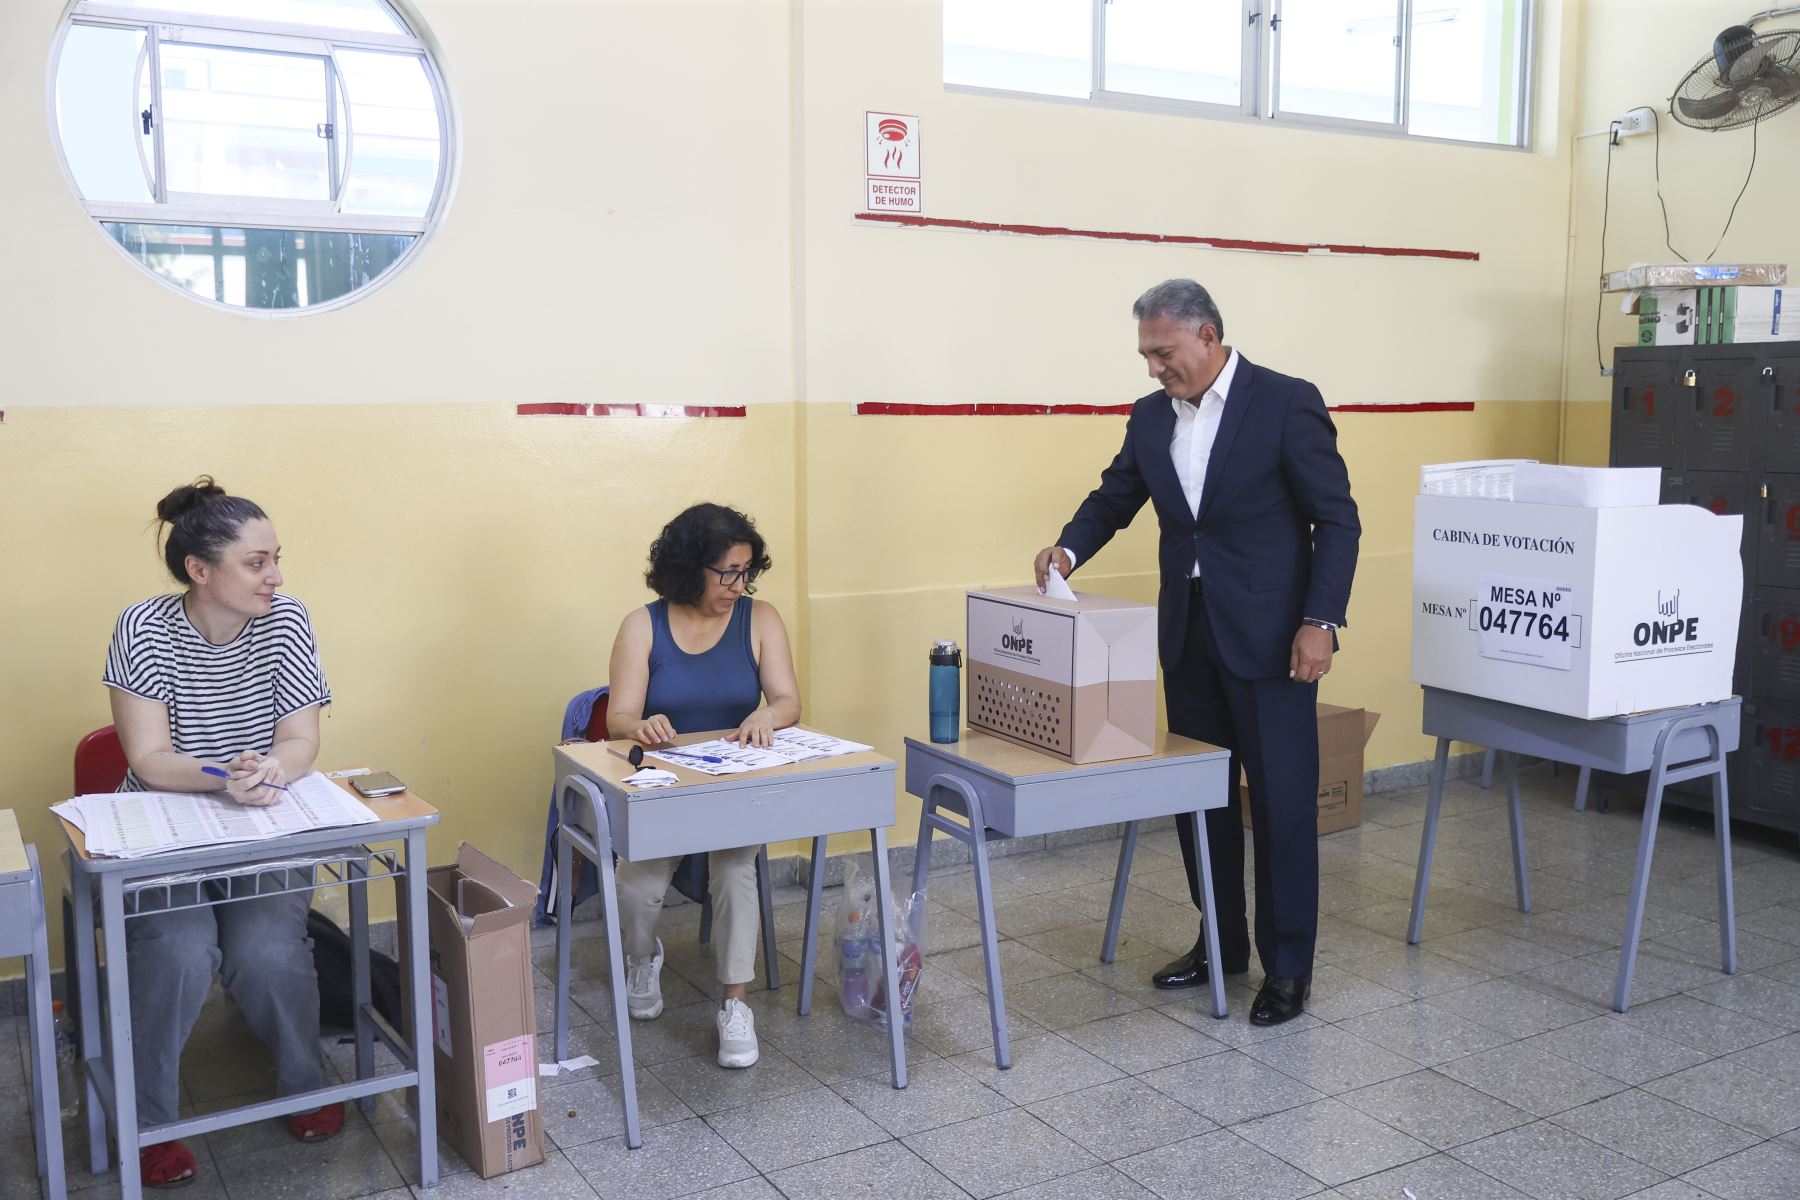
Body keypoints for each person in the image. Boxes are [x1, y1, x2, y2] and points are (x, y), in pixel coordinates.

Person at [1035, 280, 1359, 1026]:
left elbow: (1336, 521)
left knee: (1279, 807)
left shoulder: (1285, 402)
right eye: (1146, 355)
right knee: (1201, 803)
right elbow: (1116, 495)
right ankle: (1222, 942)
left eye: (1163, 352)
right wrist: (1070, 548)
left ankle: (1288, 969)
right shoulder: (1152, 418)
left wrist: (1323, 621)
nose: (1153, 368)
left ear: (1208, 336)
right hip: (1188, 637)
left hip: (1277, 643)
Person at [102, 479, 340, 1189]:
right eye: (257, 563)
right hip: (164, 823)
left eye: (276, 559)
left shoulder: (288, 619)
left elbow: (301, 739)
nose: (276, 577)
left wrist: (269, 766)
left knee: (267, 951)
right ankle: (147, 1121)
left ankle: (308, 1081)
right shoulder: (142, 627)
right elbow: (148, 759)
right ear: (200, 570)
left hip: (260, 818)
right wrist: (222, 774)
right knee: (177, 950)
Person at [605, 502, 802, 1067]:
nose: (739, 586)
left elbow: (789, 700)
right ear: (691, 568)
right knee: (636, 885)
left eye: (746, 572)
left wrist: (770, 716)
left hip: (732, 786)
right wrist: (640, 725)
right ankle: (642, 959)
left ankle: (735, 1003)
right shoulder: (643, 624)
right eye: (727, 573)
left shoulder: (760, 618)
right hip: (664, 785)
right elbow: (619, 718)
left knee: (737, 870)